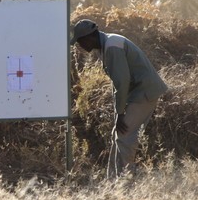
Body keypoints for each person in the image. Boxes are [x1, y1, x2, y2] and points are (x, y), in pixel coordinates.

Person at [70, 19, 168, 178]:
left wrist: (120, 113)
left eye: (80, 41)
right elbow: (120, 82)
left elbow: (122, 82)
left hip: (144, 93)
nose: (80, 46)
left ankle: (125, 183)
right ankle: (114, 181)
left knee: (124, 136)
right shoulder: (108, 44)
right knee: (118, 134)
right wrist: (119, 111)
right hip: (138, 93)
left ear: (89, 37)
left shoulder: (112, 46)